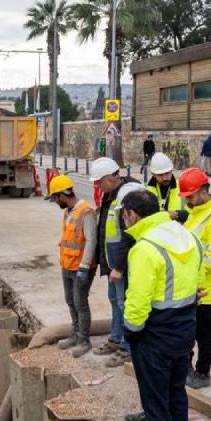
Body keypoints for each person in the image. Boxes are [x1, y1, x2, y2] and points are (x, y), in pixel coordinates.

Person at [118, 190, 203, 421]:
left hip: (154, 337)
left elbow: (137, 302)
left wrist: (131, 334)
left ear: (132, 214)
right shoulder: (187, 238)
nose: (123, 220)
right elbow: (198, 281)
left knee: (156, 404)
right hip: (184, 331)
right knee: (176, 397)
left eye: (124, 214)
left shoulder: (144, 249)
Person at [176, 167, 211, 389]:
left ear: (203, 192)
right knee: (188, 331)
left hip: (206, 288)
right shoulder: (195, 211)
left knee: (203, 333)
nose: (186, 201)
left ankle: (203, 372)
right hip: (190, 285)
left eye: (189, 196)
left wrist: (190, 274)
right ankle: (187, 367)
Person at [90, 157, 145, 368]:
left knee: (125, 303)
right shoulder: (110, 195)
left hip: (122, 262)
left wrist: (120, 268)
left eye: (99, 181)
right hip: (111, 259)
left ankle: (127, 347)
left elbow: (128, 237)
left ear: (111, 179)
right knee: (115, 300)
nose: (97, 185)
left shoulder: (127, 196)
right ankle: (115, 338)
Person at [47, 174, 97, 357]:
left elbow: (91, 240)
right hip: (67, 265)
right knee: (70, 301)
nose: (54, 201)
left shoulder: (86, 212)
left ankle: (84, 340)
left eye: (54, 198)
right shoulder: (68, 211)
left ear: (61, 195)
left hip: (81, 268)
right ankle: (75, 334)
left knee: (80, 303)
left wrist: (84, 266)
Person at [144, 153, 187, 224]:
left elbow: (194, 213)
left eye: (167, 173)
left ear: (171, 170)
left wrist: (178, 214)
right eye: (160, 175)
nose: (164, 178)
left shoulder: (183, 186)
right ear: (153, 174)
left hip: (178, 233)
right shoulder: (144, 190)